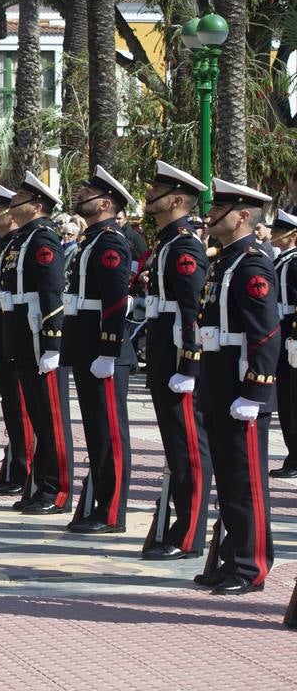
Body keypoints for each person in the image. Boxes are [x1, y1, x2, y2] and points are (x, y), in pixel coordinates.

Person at [191, 179, 279, 596]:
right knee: (228, 481)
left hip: (240, 387)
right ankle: (231, 557)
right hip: (219, 381)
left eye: (221, 208)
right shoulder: (224, 261)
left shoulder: (251, 263)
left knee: (246, 482)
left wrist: (256, 391)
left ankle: (251, 565)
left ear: (243, 215)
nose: (211, 215)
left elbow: (265, 333)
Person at [139, 162, 212, 560]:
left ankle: (189, 533)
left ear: (178, 200)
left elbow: (191, 309)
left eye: (160, 190)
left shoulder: (183, 245)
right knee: (176, 446)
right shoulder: (169, 241)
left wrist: (189, 363)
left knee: (189, 448)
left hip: (177, 360)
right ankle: (180, 526)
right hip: (164, 355)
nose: (151, 195)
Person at [62, 166, 135, 535]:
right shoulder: (92, 240)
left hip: (102, 350)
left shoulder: (110, 240)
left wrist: (109, 349)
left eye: (88, 192)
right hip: (86, 345)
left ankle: (111, 512)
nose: (80, 195)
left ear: (105, 202)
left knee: (110, 434)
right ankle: (98, 504)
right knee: (96, 431)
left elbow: (115, 299)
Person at [0, 172, 73, 516]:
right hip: (21, 337)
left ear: (38, 205)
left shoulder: (44, 239)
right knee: (38, 418)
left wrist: (52, 343)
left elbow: (51, 293)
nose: (13, 204)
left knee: (51, 420)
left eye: (20, 200)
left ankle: (57, 490)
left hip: (38, 338)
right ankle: (39, 486)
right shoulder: (20, 240)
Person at [0, 185, 32, 498]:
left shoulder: (21, 243)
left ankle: (24, 469)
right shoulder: (5, 244)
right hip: (1, 331)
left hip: (19, 334)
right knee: (12, 408)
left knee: (21, 408)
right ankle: (15, 466)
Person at [271, 208, 297, 478]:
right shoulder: (283, 260)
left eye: (280, 231)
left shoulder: (295, 261)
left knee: (292, 400)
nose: (274, 235)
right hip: (281, 332)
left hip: (290, 334)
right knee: (286, 400)